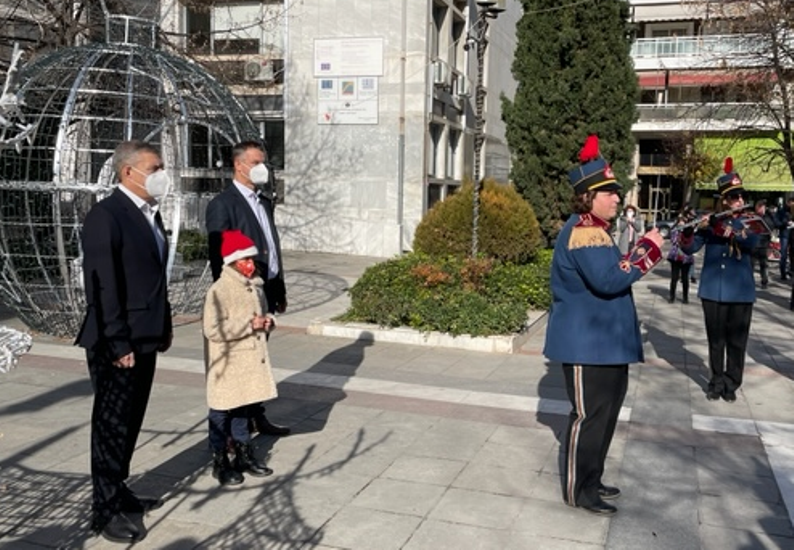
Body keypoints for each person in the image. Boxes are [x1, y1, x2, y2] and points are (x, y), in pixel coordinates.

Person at [543, 135, 664, 517]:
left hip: (605, 344)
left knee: (605, 417)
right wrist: (648, 250)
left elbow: (612, 271)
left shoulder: (596, 229)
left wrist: (645, 249)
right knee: (590, 418)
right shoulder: (584, 231)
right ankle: (579, 490)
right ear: (588, 196)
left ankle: (592, 480)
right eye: (609, 192)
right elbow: (610, 280)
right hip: (588, 345)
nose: (616, 198)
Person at [76, 140, 173, 543]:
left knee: (131, 422)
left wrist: (163, 326)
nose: (162, 174)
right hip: (117, 340)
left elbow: (152, 276)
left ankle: (119, 489)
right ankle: (105, 510)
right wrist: (117, 342)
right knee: (111, 425)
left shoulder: (150, 213)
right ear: (128, 172)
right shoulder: (107, 215)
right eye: (155, 167)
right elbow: (102, 286)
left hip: (145, 336)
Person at [205, 140, 290, 437]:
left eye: (263, 162)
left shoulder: (263, 202)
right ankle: (229, 428)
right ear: (238, 165)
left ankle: (256, 414)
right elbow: (219, 256)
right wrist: (229, 297)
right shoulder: (223, 204)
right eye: (255, 163)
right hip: (239, 296)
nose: (261, 168)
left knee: (257, 357)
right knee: (239, 360)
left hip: (265, 289)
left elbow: (271, 247)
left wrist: (279, 289)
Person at [680, 158, 759, 403]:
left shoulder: (750, 221)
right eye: (734, 197)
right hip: (713, 290)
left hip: (741, 291)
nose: (739, 200)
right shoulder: (711, 220)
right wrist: (689, 230)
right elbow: (690, 249)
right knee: (716, 341)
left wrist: (720, 227)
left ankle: (732, 382)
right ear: (724, 200)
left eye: (741, 196)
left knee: (737, 342)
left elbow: (751, 242)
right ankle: (715, 381)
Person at [204, 229, 277, 485]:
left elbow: (265, 313)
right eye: (245, 260)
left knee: (243, 408)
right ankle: (220, 461)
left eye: (251, 259)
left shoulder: (256, 286)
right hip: (226, 362)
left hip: (248, 359)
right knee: (220, 411)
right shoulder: (219, 290)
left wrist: (268, 322)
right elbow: (212, 328)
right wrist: (249, 324)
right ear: (233, 262)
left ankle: (244, 455)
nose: (250, 264)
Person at [667, 210, 696, 304]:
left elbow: (691, 240)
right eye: (680, 221)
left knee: (685, 278)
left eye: (683, 221)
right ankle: (672, 296)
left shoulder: (689, 230)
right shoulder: (675, 230)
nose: (681, 223)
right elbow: (673, 240)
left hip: (686, 257)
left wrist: (686, 232)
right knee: (674, 278)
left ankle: (685, 297)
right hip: (675, 256)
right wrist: (678, 233)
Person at [750, 199, 775, 289]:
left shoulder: (768, 217)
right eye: (759, 207)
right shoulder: (752, 216)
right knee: (751, 264)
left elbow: (772, 226)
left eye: (762, 207)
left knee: (763, 264)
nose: (760, 209)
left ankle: (764, 281)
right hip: (754, 243)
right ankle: (750, 281)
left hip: (764, 243)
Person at [775, 197, 793, 280]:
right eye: (791, 203)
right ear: (787, 202)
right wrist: (785, 223)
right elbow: (777, 223)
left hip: (792, 234)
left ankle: (791, 271)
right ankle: (783, 273)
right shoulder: (781, 211)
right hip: (784, 234)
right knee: (784, 254)